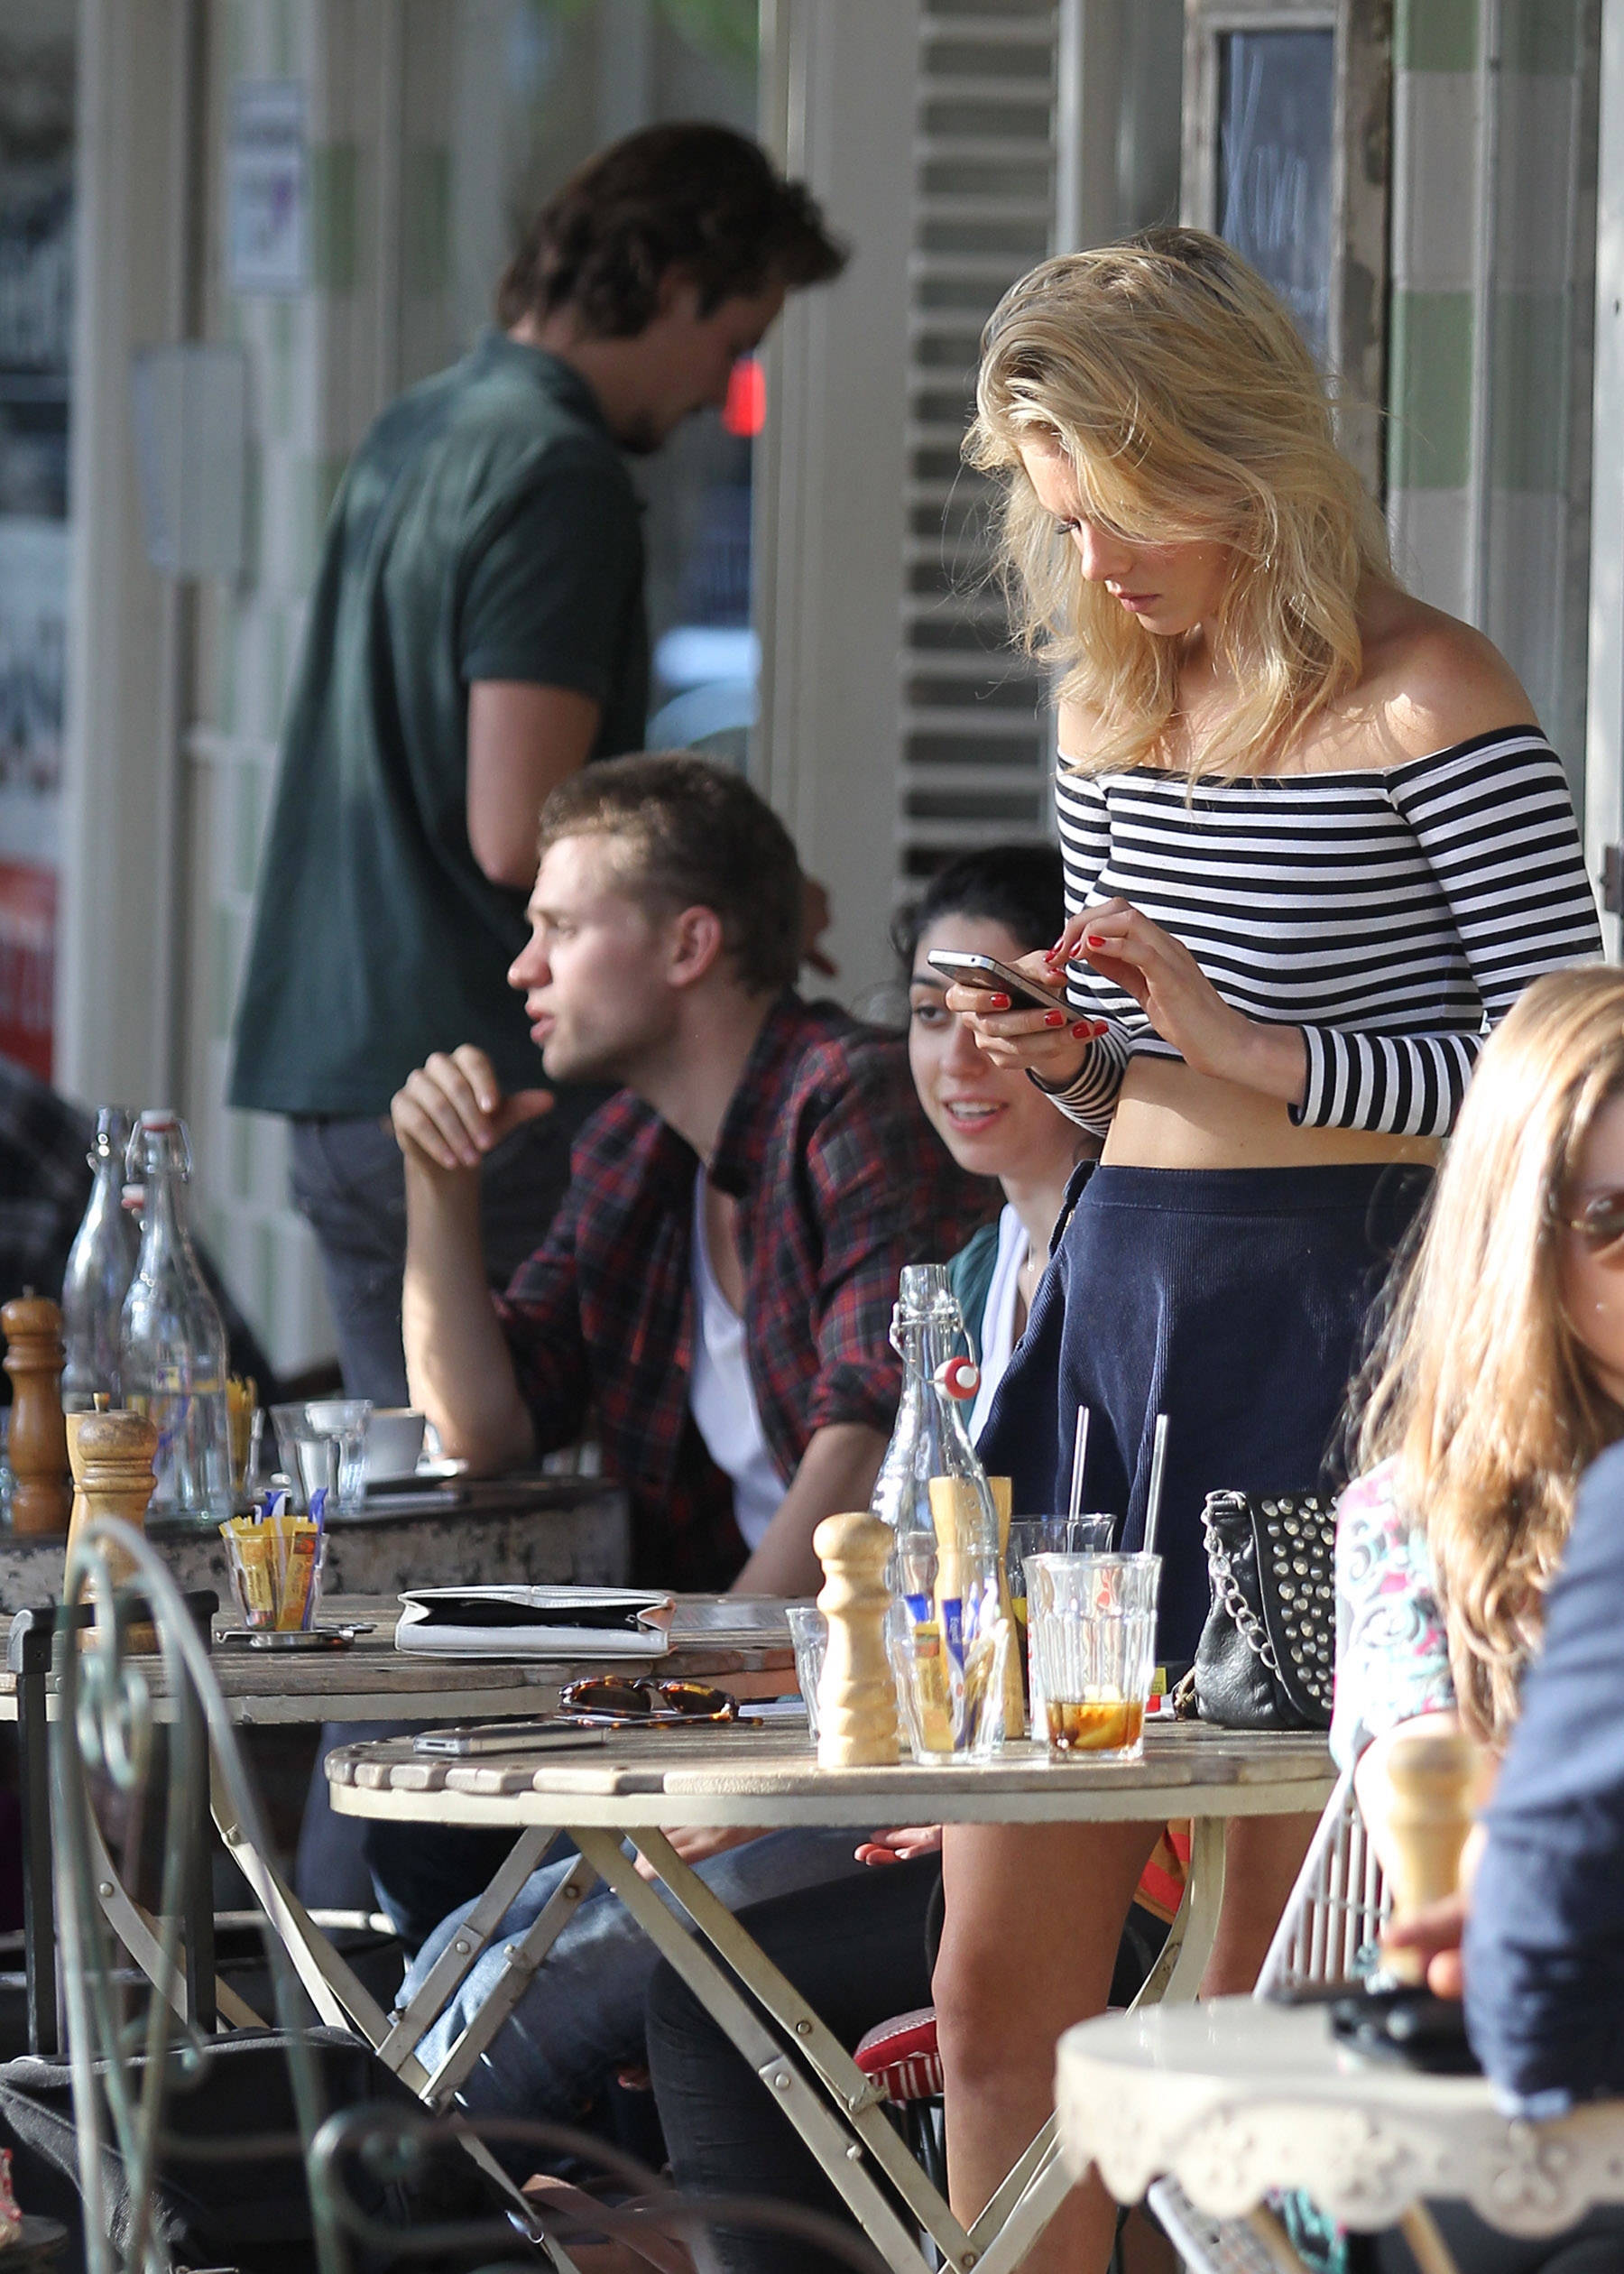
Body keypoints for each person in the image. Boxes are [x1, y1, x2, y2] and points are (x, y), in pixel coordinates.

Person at [928, 227, 1601, 2273]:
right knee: (991, 1999)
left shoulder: (1429, 694)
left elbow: (1564, 1076)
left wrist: (1256, 1052)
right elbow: (1149, 1053)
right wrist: (1076, 1047)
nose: (1098, 566)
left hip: (1341, 1334)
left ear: (1239, 456)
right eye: (1063, 523)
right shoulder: (1109, 698)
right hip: (1116, 1315)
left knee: (1253, 2016)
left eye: (1126, 514)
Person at [392, 845, 1087, 2162]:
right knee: (477, 1941)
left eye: (1002, 1014)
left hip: (1006, 1806)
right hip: (876, 1753)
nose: (957, 1056)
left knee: (572, 1971)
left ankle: (368, 2208)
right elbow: (488, 1419)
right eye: (928, 1015)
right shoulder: (969, 1273)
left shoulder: (1118, 1261)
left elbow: (1022, 1606)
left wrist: (774, 1773)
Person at [228, 125, 845, 1407]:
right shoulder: (559, 469)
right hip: (484, 1085)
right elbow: (520, 828)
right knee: (516, 1486)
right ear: (674, 285)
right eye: (733, 342)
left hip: (350, 1063)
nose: (716, 391)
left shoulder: (422, 423)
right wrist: (737, 897)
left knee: (421, 1475)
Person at [361, 754, 987, 1946]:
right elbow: (482, 1426)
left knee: (492, 1922)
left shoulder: (847, 1098)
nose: (523, 967)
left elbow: (874, 1435)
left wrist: (694, 1697)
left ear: (691, 943)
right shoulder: (635, 1155)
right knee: (425, 1836)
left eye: (560, 928)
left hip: (859, 1705)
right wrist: (436, 1190)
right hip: (733, 1682)